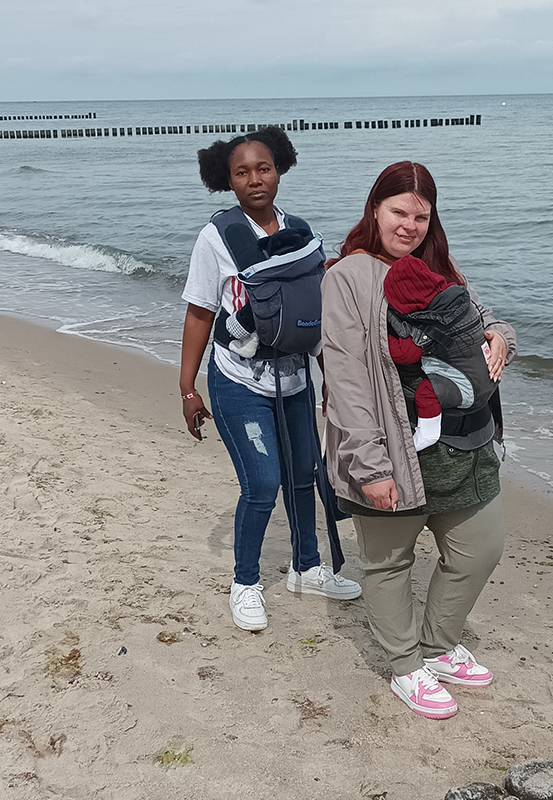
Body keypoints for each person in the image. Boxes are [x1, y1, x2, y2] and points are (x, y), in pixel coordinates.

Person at [321, 161, 515, 719]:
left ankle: (438, 643)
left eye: (420, 216)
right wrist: (369, 464)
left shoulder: (439, 266)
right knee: (388, 563)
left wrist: (501, 338)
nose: (409, 225)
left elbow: (485, 320)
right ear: (375, 209)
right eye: (398, 212)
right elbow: (347, 377)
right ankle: (406, 666)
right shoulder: (349, 277)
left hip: (464, 443)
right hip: (391, 447)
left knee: (480, 549)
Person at [179, 126, 361, 633]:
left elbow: (317, 312)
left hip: (296, 379)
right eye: (242, 172)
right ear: (227, 180)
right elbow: (199, 312)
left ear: (279, 168)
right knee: (262, 485)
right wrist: (188, 388)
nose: (254, 179)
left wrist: (328, 378)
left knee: (306, 478)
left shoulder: (303, 234)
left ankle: (306, 568)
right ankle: (244, 583)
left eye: (263, 168)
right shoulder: (217, 237)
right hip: (239, 380)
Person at [383, 253, 498, 452]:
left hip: (467, 388)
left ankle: (428, 433)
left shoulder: (431, 321)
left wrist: (383, 336)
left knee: (427, 393)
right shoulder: (458, 299)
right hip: (489, 379)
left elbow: (406, 354)